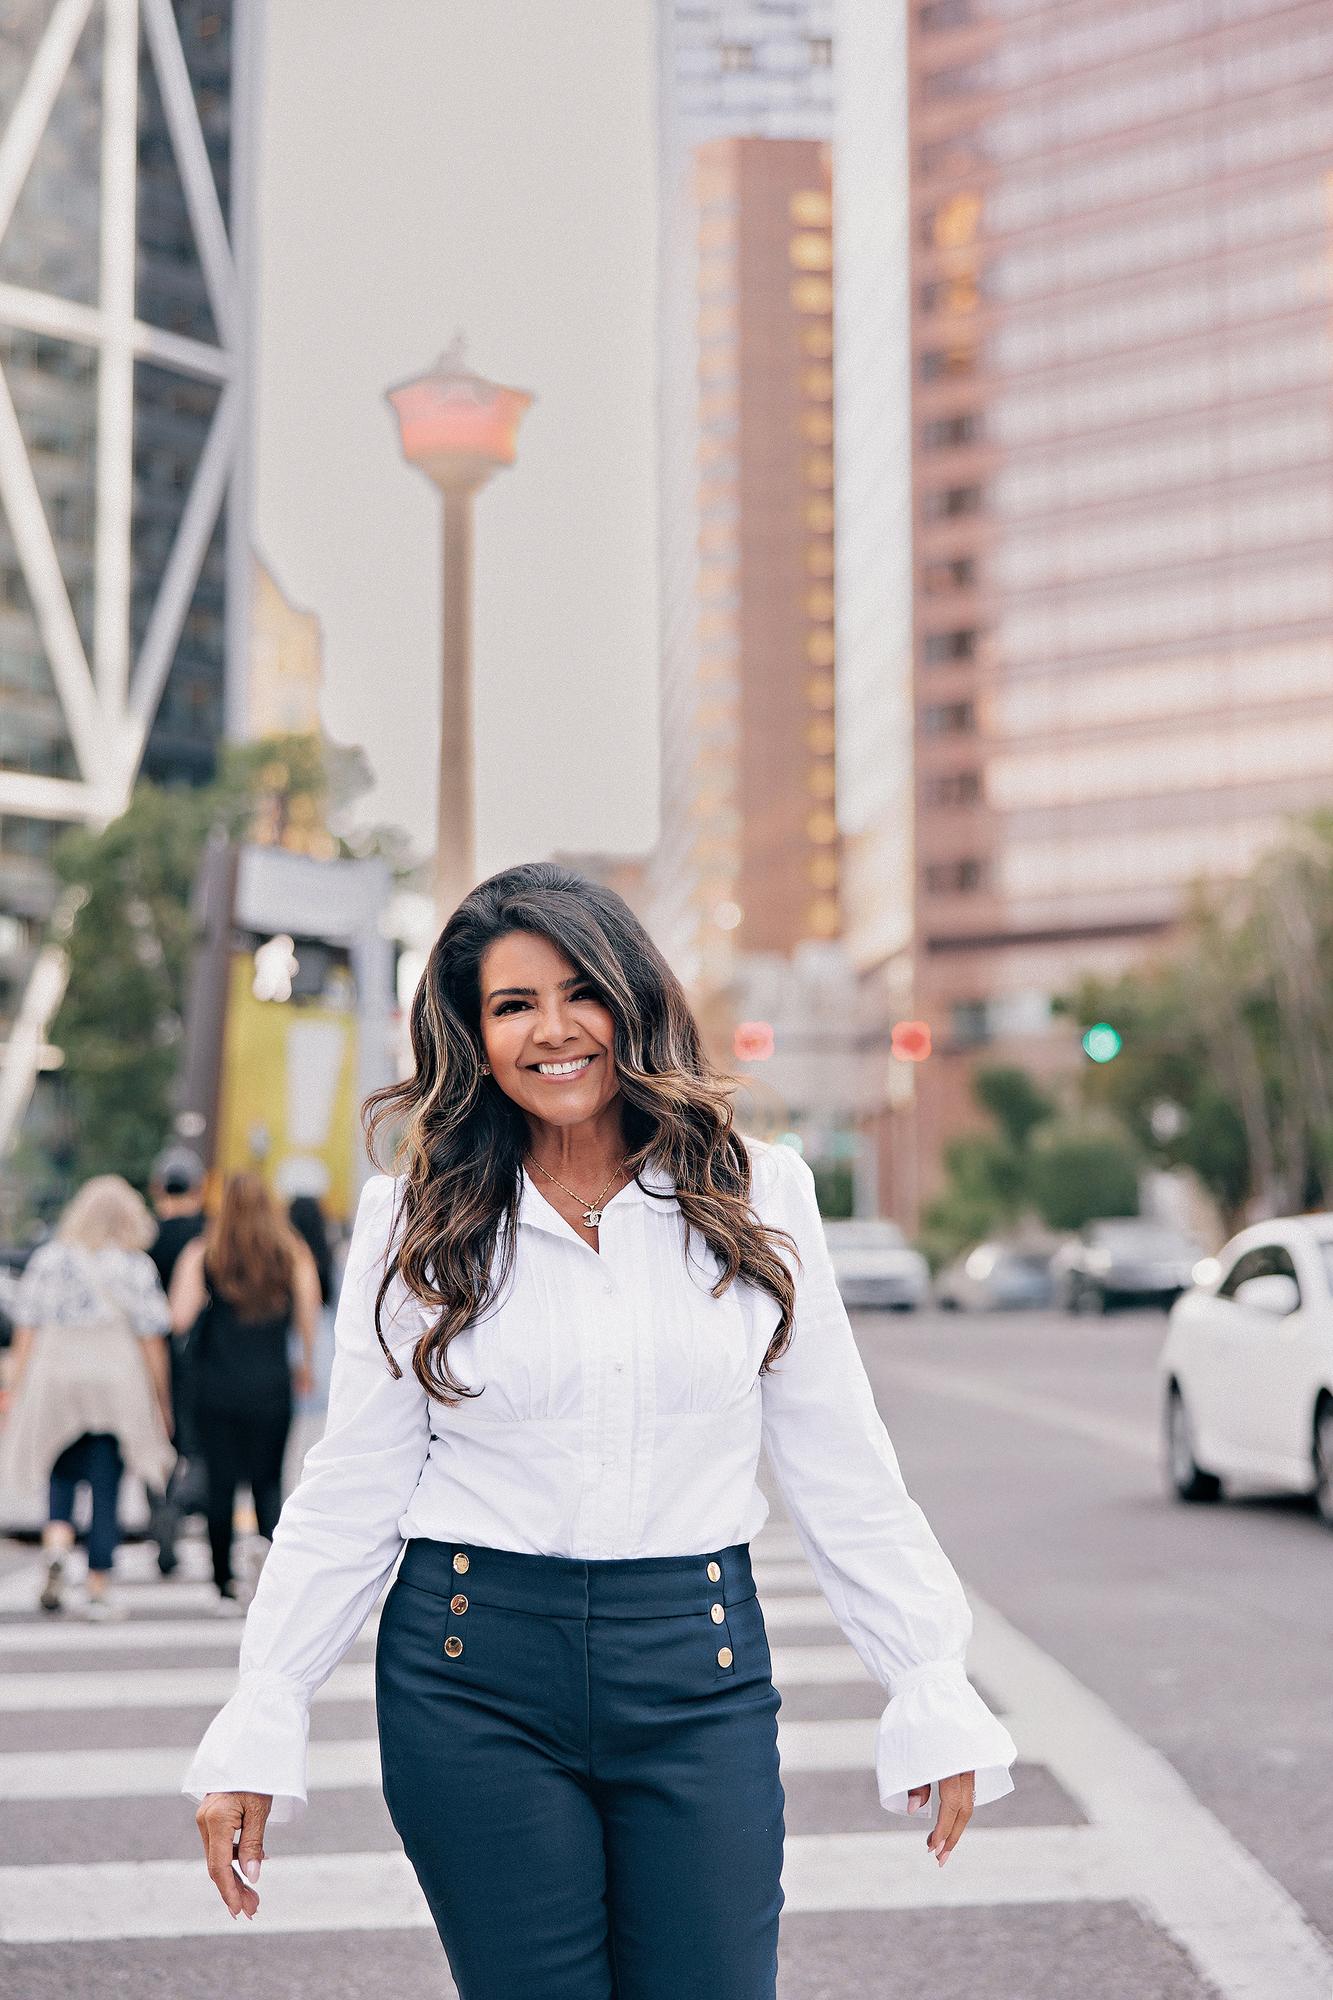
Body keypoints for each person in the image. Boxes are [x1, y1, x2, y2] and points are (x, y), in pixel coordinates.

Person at [186, 863, 1017, 1995]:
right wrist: (262, 1706)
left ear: (632, 997)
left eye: (580, 990)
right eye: (512, 1004)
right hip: (472, 1672)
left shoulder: (754, 1194)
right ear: (473, 1036)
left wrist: (927, 1674)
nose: (554, 1029)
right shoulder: (416, 1218)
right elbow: (355, 1482)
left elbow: (840, 1460)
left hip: (696, 1666)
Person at [0, 1175, 175, 1620]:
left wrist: (15, 1386)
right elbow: (153, 1337)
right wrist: (161, 1400)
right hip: (114, 1379)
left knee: (59, 1468)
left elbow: (26, 1327)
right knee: (106, 1484)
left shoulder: (49, 1260)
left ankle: (57, 1547)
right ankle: (98, 1587)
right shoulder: (135, 1265)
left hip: (57, 1376)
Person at [169, 1174, 320, 1612]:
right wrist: (305, 1364)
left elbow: (178, 1317)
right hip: (272, 1383)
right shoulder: (290, 1252)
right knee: (268, 1480)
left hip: (216, 1386)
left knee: (221, 1484)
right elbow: (308, 1312)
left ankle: (222, 1584)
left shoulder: (206, 1253)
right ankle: (268, 1567)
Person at [146, 1144, 208, 1573]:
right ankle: (190, 1504)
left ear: (157, 1189)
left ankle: (163, 1523)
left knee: (155, 1443)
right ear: (199, 1189)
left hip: (152, 1355)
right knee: (200, 1445)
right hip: (205, 1357)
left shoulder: (145, 1239)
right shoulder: (210, 1235)